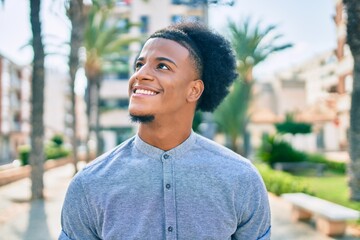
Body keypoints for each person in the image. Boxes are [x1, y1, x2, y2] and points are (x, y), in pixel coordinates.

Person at [59, 22, 271, 240]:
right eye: (139, 65)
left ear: (194, 90)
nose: (140, 75)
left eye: (162, 66)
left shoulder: (242, 179)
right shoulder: (89, 184)